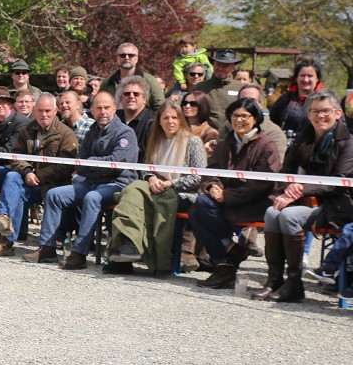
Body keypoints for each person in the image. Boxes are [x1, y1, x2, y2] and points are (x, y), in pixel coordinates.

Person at [251, 89, 353, 302]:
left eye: (326, 111)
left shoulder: (348, 143)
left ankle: (294, 283)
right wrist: (284, 191)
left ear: (338, 113)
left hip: (335, 204)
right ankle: (274, 280)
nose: (320, 116)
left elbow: (339, 182)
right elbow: (286, 170)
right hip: (302, 199)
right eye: (315, 111)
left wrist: (301, 188)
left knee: (289, 217)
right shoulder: (302, 138)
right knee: (272, 213)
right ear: (308, 115)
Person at [23, 92, 137, 269]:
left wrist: (93, 164)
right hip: (91, 182)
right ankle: (48, 248)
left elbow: (117, 164)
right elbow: (79, 163)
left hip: (117, 184)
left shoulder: (125, 133)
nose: (103, 111)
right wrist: (98, 166)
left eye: (107, 107)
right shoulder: (92, 131)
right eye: (98, 108)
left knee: (92, 198)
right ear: (91, 110)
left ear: (114, 108)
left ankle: (79, 253)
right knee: (54, 195)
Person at [189, 98, 281, 289]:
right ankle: (229, 256)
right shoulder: (224, 143)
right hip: (225, 200)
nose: (239, 120)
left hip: (256, 202)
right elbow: (210, 172)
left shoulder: (267, 146)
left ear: (255, 119)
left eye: (244, 116)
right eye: (235, 116)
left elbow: (263, 184)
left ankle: (225, 263)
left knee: (200, 211)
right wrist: (212, 187)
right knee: (198, 208)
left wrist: (226, 196)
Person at [106, 100, 206, 273]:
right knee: (132, 191)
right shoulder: (156, 140)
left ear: (181, 119)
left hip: (181, 192)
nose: (170, 122)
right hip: (155, 187)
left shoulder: (193, 142)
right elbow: (147, 168)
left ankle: (155, 258)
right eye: (166, 118)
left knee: (151, 204)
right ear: (159, 120)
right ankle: (128, 246)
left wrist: (171, 183)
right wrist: (151, 178)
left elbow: (198, 177)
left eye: (174, 118)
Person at [0, 92, 78, 256]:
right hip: (31, 183)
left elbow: (66, 166)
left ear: (55, 111)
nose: (43, 114)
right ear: (34, 110)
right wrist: (26, 172)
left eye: (47, 110)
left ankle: (28, 244)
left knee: (14, 186)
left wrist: (39, 175)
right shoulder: (28, 130)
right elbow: (15, 156)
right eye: (40, 110)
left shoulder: (66, 134)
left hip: (53, 186)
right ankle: (5, 227)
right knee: (13, 179)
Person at [269, 56, 324, 139]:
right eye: (302, 75)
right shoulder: (285, 99)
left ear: (317, 78)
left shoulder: (325, 99)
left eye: (310, 76)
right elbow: (272, 123)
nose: (306, 79)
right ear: (296, 78)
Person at [99, 42, 164, 111]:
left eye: (131, 55)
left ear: (137, 59)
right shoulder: (107, 83)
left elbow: (160, 107)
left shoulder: (150, 81)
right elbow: (99, 104)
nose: (126, 58)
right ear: (117, 59)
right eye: (122, 55)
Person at [190, 48, 245, 128]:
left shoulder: (241, 88)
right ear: (213, 65)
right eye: (218, 64)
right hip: (206, 135)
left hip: (233, 134)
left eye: (225, 65)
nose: (220, 68)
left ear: (233, 68)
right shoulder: (200, 87)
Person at [116, 76, 156, 161]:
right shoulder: (114, 119)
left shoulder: (153, 121)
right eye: (126, 94)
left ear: (145, 100)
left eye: (136, 94)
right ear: (121, 99)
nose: (131, 96)